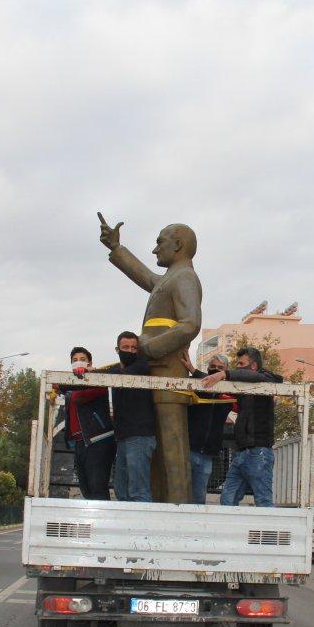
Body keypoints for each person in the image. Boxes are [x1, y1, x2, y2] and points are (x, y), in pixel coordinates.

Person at [99, 212, 201, 503]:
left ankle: (179, 510)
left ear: (178, 245)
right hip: (156, 373)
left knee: (172, 447)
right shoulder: (171, 278)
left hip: (168, 372)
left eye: (160, 243)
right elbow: (147, 277)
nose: (155, 249)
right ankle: (162, 505)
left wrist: (149, 348)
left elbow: (190, 324)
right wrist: (116, 249)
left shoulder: (185, 278)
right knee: (160, 448)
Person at [202, 347, 282, 507]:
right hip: (241, 452)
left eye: (241, 363)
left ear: (253, 366)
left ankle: (268, 531)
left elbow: (268, 378)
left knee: (263, 501)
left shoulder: (265, 379)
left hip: (259, 452)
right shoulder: (243, 387)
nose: (237, 367)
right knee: (227, 499)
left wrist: (224, 374)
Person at [104, 331, 157, 502]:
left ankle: (144, 527)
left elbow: (118, 375)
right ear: (117, 349)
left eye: (134, 348)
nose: (130, 351)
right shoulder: (115, 370)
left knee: (138, 491)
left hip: (140, 436)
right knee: (121, 489)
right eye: (125, 347)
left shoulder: (142, 366)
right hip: (123, 437)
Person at [181, 351, 234, 505]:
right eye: (213, 366)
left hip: (207, 455)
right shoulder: (198, 385)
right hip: (188, 449)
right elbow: (203, 379)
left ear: (225, 370)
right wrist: (192, 369)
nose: (215, 370)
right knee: (180, 493)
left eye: (220, 368)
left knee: (198, 498)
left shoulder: (229, 391)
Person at [63, 346, 114, 501]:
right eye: (75, 360)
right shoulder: (71, 383)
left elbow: (78, 397)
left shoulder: (98, 380)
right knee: (86, 488)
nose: (78, 362)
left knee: (97, 487)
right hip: (80, 442)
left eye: (83, 359)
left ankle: (102, 523)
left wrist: (88, 376)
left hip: (98, 440)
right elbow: (59, 387)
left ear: (90, 363)